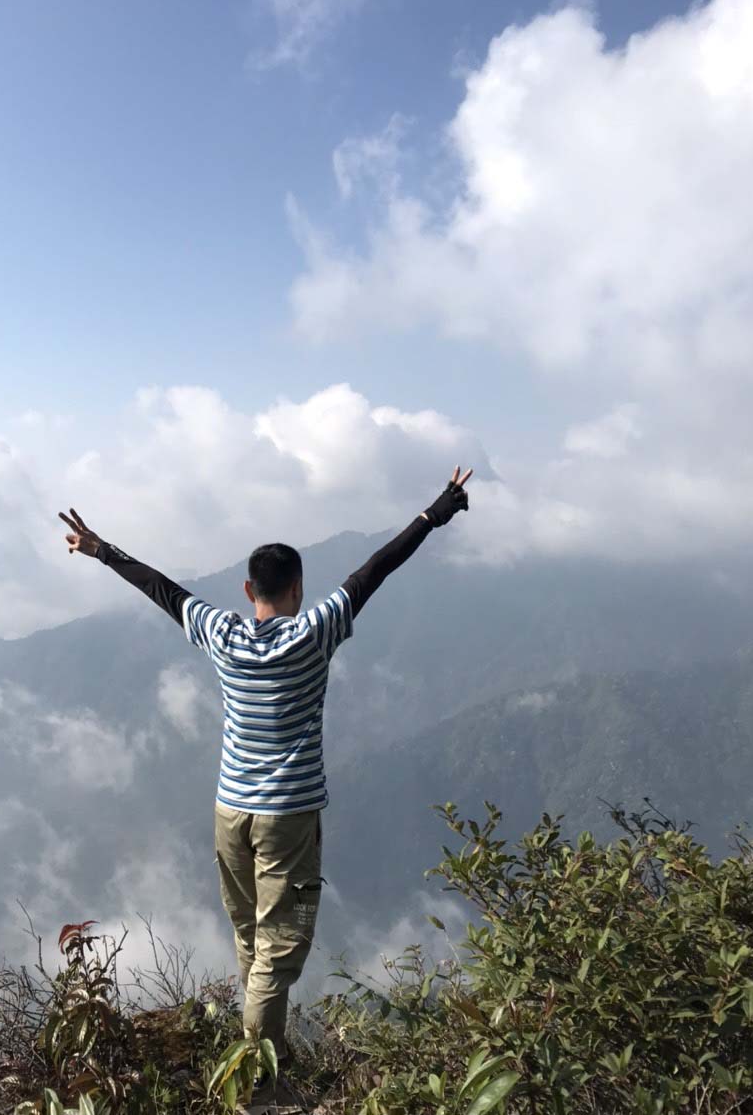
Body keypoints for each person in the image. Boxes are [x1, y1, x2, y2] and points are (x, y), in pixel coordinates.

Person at [58, 468, 472, 1111]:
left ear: (248, 588)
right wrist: (436, 511)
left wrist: (99, 548)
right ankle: (257, 1085)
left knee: (252, 936)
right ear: (299, 589)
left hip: (230, 812)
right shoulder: (315, 633)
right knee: (279, 950)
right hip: (286, 817)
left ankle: (262, 1048)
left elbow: (162, 591)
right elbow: (376, 570)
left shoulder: (220, 634)